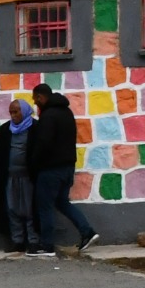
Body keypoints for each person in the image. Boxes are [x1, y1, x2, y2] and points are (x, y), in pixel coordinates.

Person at [26, 81, 98, 256]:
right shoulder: (66, 112)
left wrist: (34, 164)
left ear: (41, 97)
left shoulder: (49, 116)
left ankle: (47, 246)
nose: (35, 104)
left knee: (45, 206)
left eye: (36, 100)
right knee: (62, 202)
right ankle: (87, 231)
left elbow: (44, 143)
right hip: (67, 167)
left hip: (50, 169)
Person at [0, 97, 38, 252]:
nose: (13, 115)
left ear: (24, 111)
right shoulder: (5, 130)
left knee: (30, 209)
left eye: (16, 112)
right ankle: (17, 241)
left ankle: (33, 241)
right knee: (12, 209)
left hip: (29, 178)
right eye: (11, 112)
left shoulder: (36, 128)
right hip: (10, 178)